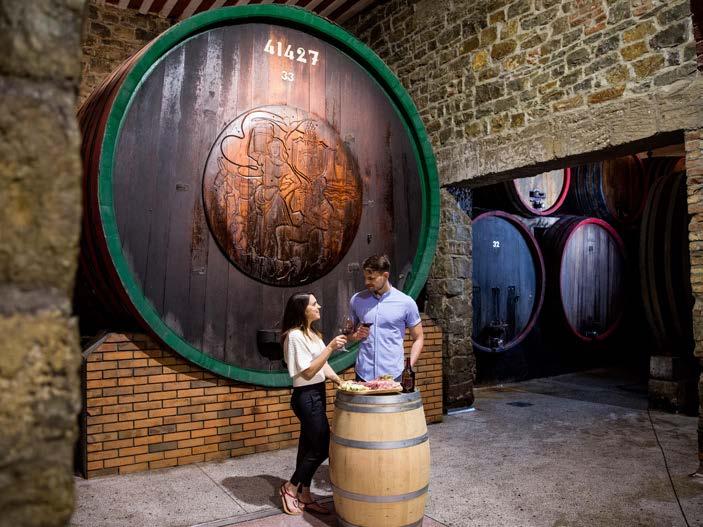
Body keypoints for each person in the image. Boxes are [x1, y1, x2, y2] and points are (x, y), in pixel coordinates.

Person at [279, 292, 346, 516]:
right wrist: (331, 347)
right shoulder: (294, 336)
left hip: (318, 392)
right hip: (306, 396)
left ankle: (304, 494)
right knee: (322, 446)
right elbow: (308, 371)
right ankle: (290, 488)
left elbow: (321, 364)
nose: (319, 307)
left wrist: (339, 381)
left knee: (308, 446)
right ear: (303, 310)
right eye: (314, 304)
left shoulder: (313, 334)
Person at [349, 254, 424, 382]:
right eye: (365, 278)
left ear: (385, 275)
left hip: (394, 375)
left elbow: (419, 338)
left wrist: (408, 367)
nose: (366, 282)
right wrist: (356, 336)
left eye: (371, 278)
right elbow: (348, 335)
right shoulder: (357, 300)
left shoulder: (406, 302)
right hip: (363, 375)